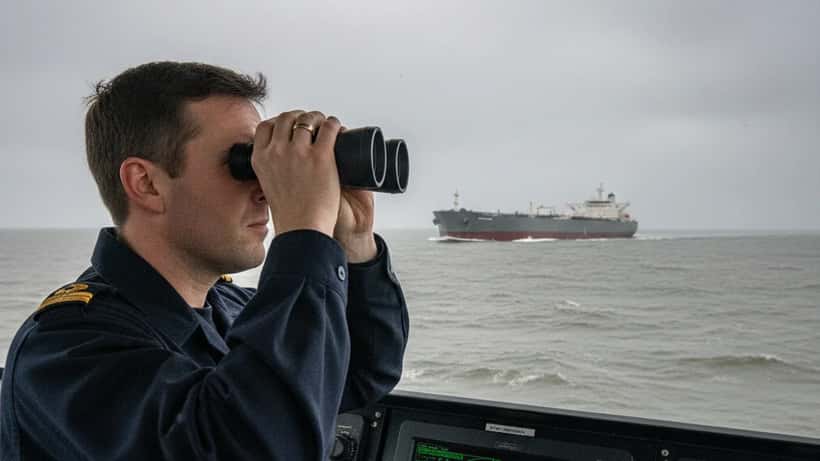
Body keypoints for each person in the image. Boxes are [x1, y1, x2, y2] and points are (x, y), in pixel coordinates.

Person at [0, 62, 409, 460]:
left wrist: (354, 243)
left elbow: (362, 372)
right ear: (147, 184)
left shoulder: (229, 309)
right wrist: (303, 237)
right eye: (244, 164)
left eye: (266, 166)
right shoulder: (66, 351)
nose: (267, 189)